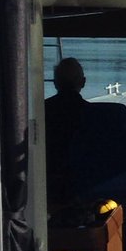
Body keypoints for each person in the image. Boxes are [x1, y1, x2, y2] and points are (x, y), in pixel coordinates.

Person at [44, 58, 88, 207]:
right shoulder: (92, 114)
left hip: (47, 184)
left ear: (55, 83)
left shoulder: (41, 111)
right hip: (85, 184)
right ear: (83, 82)